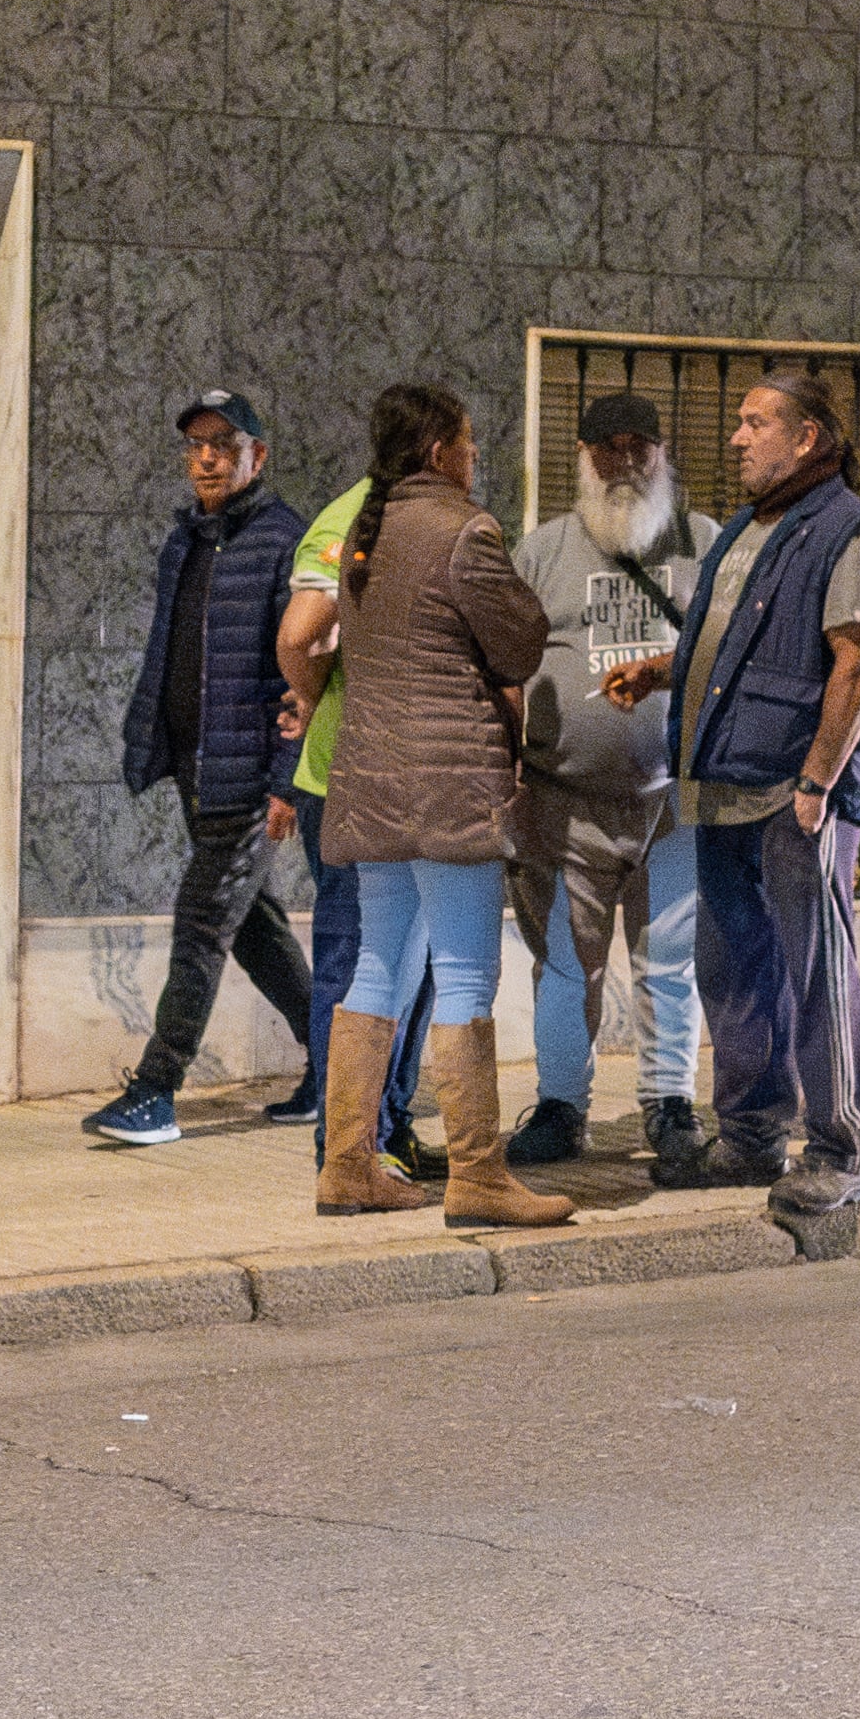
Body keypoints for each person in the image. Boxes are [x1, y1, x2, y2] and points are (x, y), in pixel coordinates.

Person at [604, 372, 860, 1215]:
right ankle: (752, 1139)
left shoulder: (848, 533)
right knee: (734, 968)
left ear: (806, 438)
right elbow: (730, 640)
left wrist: (818, 783)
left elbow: (859, 662)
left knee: (815, 971)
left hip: (793, 793)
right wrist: (662, 670)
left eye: (754, 422)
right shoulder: (752, 528)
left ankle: (838, 1153)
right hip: (725, 783)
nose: (737, 437)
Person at [315, 384, 570, 1228]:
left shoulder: (365, 530)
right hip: (449, 782)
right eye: (467, 442)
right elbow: (521, 641)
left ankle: (347, 1160)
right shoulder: (465, 529)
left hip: (373, 778)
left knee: (377, 961)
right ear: (437, 453)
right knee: (464, 969)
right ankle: (479, 1175)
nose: (474, 456)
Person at [86, 388, 313, 1144]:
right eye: (196, 445)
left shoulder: (284, 540)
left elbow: (304, 673)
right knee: (250, 926)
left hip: (249, 774)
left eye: (223, 442)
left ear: (258, 455)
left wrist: (287, 780)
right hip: (196, 763)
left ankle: (156, 1087)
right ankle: (341, 1065)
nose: (207, 457)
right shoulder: (186, 539)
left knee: (200, 921)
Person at [502, 391, 716, 1183]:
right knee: (564, 964)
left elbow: (729, 650)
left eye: (640, 447)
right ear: (582, 458)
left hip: (673, 805)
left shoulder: (705, 544)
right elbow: (505, 673)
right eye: (606, 448)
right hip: (563, 806)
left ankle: (669, 1104)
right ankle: (561, 1106)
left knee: (670, 961)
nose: (623, 462)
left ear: (664, 454)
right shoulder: (541, 552)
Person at [275, 472, 438, 1177]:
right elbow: (301, 635)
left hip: (391, 781)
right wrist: (319, 700)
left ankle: (388, 1128)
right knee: (361, 961)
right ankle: (351, 1146)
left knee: (413, 964)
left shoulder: (388, 516)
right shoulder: (360, 519)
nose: (472, 462)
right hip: (359, 780)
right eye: (464, 446)